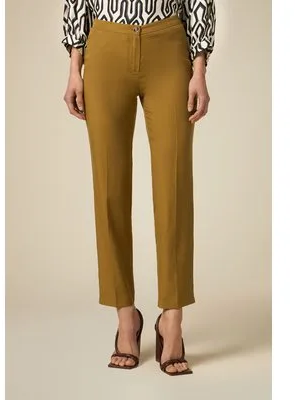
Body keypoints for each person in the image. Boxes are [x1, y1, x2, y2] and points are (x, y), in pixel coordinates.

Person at [61, 0, 215, 376]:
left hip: (169, 46)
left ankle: (172, 322)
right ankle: (126, 319)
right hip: (105, 44)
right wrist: (74, 67)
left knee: (174, 189)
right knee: (108, 188)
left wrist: (199, 67)